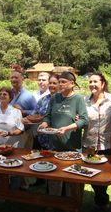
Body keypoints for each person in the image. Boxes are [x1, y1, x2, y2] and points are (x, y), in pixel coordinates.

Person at [38, 71, 88, 202]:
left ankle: (72, 205)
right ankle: (54, 204)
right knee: (54, 178)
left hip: (72, 147)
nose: (60, 84)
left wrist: (67, 128)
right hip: (55, 146)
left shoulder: (78, 99)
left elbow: (84, 120)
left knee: (72, 179)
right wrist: (44, 124)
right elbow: (48, 116)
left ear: (72, 84)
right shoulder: (55, 98)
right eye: (59, 81)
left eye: (63, 82)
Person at [83, 73, 111, 212]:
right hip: (89, 144)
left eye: (95, 81)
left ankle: (101, 202)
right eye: (90, 82)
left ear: (103, 83)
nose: (92, 84)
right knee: (91, 173)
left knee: (104, 174)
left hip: (106, 144)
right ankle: (101, 200)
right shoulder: (84, 101)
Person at [22, 74, 60, 187]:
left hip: (57, 136)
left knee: (54, 160)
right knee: (41, 157)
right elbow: (36, 115)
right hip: (42, 135)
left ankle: (53, 184)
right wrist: (27, 119)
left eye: (55, 83)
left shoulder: (63, 100)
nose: (52, 85)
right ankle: (41, 180)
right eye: (51, 83)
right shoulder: (43, 100)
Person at [0, 86, 24, 190]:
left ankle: (14, 191)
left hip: (14, 145)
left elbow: (20, 129)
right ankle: (2, 192)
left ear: (10, 98)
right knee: (0, 168)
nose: (2, 96)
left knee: (14, 168)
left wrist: (10, 133)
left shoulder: (16, 112)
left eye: (5, 94)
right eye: (0, 94)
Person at [10, 69, 37, 190]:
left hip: (25, 133)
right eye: (12, 78)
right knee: (10, 157)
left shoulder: (29, 96)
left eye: (16, 78)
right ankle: (10, 184)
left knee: (24, 158)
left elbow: (37, 113)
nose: (14, 80)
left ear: (22, 80)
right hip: (9, 133)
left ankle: (24, 186)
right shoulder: (7, 94)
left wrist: (24, 112)